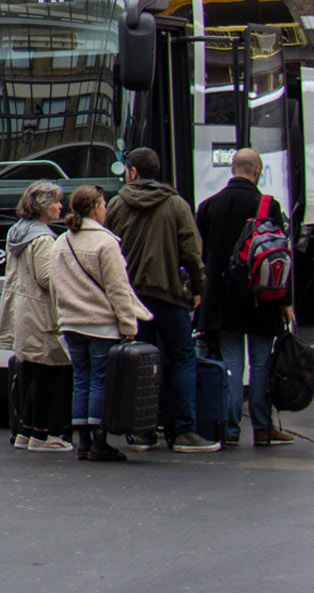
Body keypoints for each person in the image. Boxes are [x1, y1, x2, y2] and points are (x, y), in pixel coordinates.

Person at [109, 148, 218, 453]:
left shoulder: (117, 205)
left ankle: (142, 431)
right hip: (170, 294)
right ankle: (184, 431)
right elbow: (192, 253)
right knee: (183, 358)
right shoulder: (176, 205)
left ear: (132, 172)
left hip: (132, 297)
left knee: (140, 363)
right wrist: (197, 288)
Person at [195, 148, 296, 447]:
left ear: (233, 170)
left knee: (232, 364)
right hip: (261, 297)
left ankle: (230, 429)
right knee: (261, 364)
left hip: (223, 300)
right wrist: (285, 302)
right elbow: (279, 254)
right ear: (257, 171)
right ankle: (263, 428)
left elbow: (202, 255)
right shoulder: (267, 206)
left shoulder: (209, 206)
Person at [49, 185, 152, 463]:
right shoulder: (105, 243)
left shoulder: (61, 242)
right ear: (95, 208)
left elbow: (54, 285)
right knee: (100, 380)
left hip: (71, 323)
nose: (105, 210)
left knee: (80, 379)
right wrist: (129, 325)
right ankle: (99, 441)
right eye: (104, 205)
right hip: (101, 324)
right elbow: (119, 289)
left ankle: (82, 441)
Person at [0, 180, 73, 452]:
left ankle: (25, 432)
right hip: (41, 313)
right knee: (50, 372)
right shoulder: (42, 239)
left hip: (22, 310)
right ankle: (44, 435)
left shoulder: (18, 232)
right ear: (43, 206)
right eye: (56, 202)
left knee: (31, 372)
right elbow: (47, 277)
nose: (60, 206)